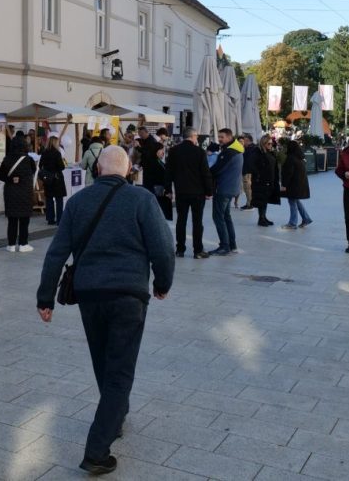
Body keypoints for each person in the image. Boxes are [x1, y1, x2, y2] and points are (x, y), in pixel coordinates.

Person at [35, 146, 174, 476]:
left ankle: (115, 415)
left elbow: (56, 253)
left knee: (102, 359)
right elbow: (163, 248)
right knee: (120, 370)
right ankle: (97, 450)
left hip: (90, 294)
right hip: (128, 294)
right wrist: (162, 283)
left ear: (97, 169)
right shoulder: (142, 200)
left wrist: (45, 298)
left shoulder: (78, 202)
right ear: (128, 171)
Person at [165, 128, 214, 258]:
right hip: (198, 192)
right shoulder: (199, 152)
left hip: (181, 191)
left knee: (181, 220)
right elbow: (205, 173)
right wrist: (209, 191)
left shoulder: (174, 151)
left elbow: (168, 172)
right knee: (197, 221)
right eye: (196, 136)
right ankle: (198, 250)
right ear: (192, 136)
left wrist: (168, 189)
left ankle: (180, 249)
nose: (197, 139)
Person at [0, 135, 37, 253]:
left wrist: (10, 179)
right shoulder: (28, 159)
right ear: (24, 145)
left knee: (12, 220)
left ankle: (11, 245)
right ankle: (23, 244)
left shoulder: (7, 159)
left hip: (10, 193)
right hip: (25, 193)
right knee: (24, 220)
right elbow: (34, 171)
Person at [208, 129, 243, 256]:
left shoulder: (229, 152)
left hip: (223, 189)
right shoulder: (237, 149)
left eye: (222, 137)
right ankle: (232, 245)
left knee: (218, 217)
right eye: (219, 137)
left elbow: (216, 169)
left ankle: (224, 246)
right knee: (226, 216)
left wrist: (205, 171)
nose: (220, 139)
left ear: (229, 137)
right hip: (232, 188)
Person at [280, 140, 313, 230]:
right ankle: (306, 219)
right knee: (296, 201)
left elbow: (288, 173)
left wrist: (284, 185)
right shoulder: (299, 158)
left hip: (293, 185)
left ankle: (292, 223)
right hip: (299, 184)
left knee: (292, 202)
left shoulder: (290, 158)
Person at [38, 135, 67, 226]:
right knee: (59, 200)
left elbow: (40, 165)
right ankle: (59, 219)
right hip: (57, 178)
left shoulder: (44, 152)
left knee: (49, 199)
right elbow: (61, 167)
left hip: (48, 178)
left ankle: (50, 219)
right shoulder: (57, 153)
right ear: (55, 143)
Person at [251, 135, 279, 227]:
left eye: (271, 143)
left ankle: (263, 217)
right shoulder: (258, 153)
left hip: (270, 180)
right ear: (263, 143)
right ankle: (261, 218)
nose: (270, 145)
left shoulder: (270, 153)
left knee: (265, 200)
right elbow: (253, 166)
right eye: (268, 143)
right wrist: (258, 176)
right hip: (261, 181)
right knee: (261, 200)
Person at [239, 134, 259, 210]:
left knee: (247, 188)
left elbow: (248, 162)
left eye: (244, 141)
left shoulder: (249, 149)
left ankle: (250, 204)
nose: (243, 143)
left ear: (248, 141)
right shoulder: (254, 148)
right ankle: (249, 203)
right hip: (250, 171)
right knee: (248, 188)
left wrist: (245, 171)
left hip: (247, 172)